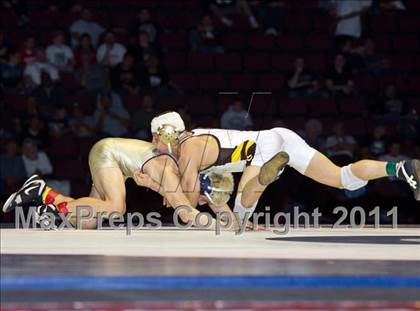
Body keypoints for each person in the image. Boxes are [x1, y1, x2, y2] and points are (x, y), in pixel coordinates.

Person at [149, 112, 420, 225]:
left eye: (155, 137)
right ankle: (399, 168)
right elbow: (211, 199)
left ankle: (269, 174)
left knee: (244, 206)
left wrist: (166, 191)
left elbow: (188, 202)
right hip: (279, 137)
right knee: (344, 178)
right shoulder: (195, 144)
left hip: (266, 145)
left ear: (169, 133)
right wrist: (229, 218)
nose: (153, 143)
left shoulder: (189, 149)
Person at [2, 137, 235, 229]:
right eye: (202, 198)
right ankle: (47, 200)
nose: (201, 201)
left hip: (117, 164)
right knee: (116, 208)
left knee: (85, 223)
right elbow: (186, 214)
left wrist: (242, 223)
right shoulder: (170, 170)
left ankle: (47, 196)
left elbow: (190, 202)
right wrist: (218, 225)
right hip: (109, 153)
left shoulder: (179, 172)